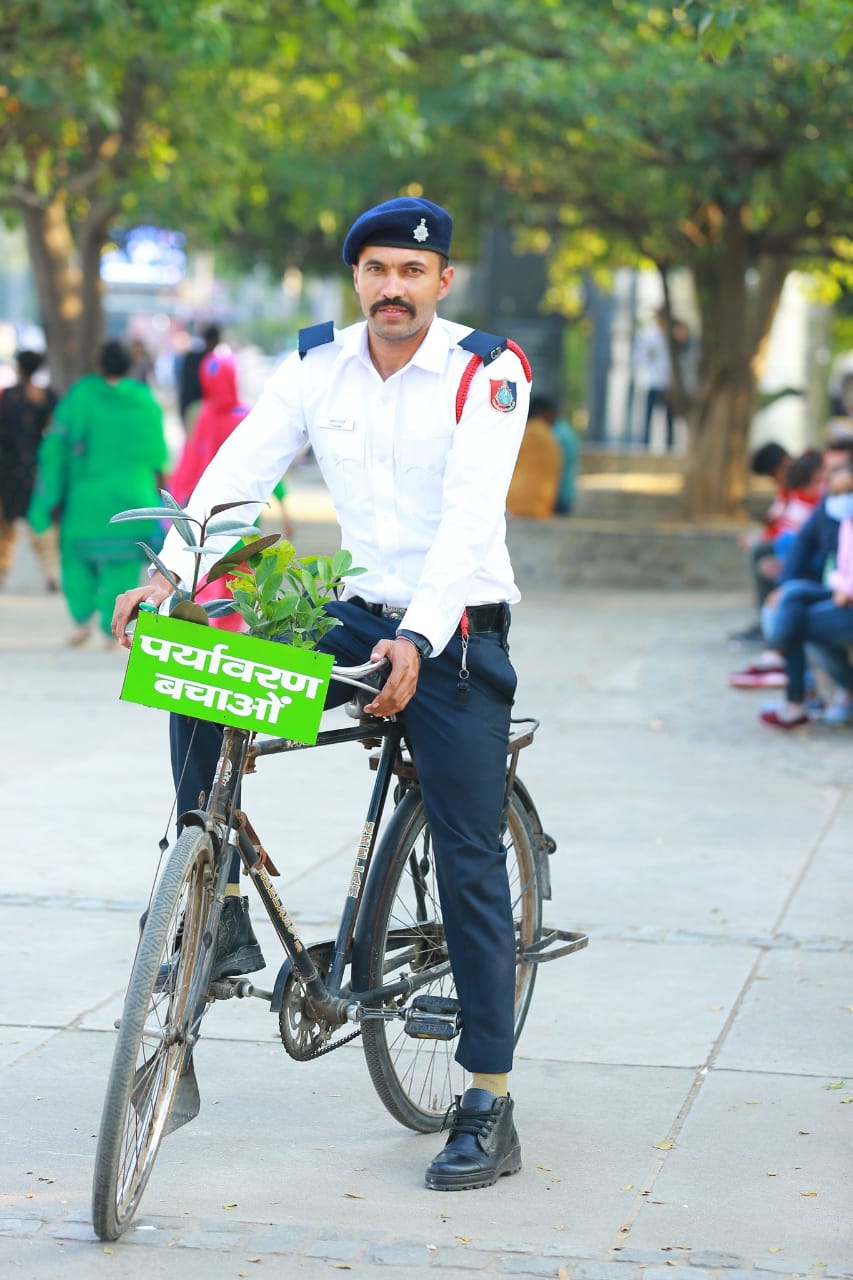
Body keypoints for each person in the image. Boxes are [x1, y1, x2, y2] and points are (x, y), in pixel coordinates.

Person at [112, 196, 533, 1192]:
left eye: (412, 272)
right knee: (200, 670)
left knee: (470, 853)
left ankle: (487, 1095)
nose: (393, 288)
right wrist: (170, 576)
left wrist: (418, 641)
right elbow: (236, 474)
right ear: (358, 277)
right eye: (377, 270)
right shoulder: (315, 364)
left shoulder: (487, 368)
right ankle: (213, 912)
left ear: (442, 281)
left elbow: (471, 520)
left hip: (457, 627)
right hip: (355, 610)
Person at [28, 339, 169, 645]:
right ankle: (112, 627)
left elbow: (55, 448)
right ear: (130, 366)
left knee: (77, 560)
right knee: (122, 564)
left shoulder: (81, 395)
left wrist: (47, 497)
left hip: (86, 502)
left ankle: (81, 619)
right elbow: (160, 457)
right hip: (135, 500)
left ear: (100, 364)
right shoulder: (144, 400)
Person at [759, 450, 853, 729]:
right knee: (790, 596)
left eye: (846, 491)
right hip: (837, 591)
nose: (839, 498)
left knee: (793, 622)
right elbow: (804, 545)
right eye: (834, 491)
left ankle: (796, 700)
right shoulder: (842, 518)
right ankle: (775, 658)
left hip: (845, 597)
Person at [728, 449, 824, 688]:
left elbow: (799, 532)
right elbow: (784, 523)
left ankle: (779, 658)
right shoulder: (794, 486)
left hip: (823, 575)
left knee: (787, 591)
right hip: (806, 559)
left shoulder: (811, 491)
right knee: (783, 590)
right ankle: (794, 696)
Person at [0, 350, 59, 591]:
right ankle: (50, 573)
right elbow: (57, 430)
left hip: (8, 468)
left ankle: (2, 570)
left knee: (6, 525)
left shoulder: (8, 397)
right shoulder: (46, 396)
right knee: (41, 523)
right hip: (36, 467)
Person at [506, 395, 563, 518]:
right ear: (543, 412)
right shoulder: (548, 434)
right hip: (542, 507)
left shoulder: (528, 432)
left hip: (514, 503)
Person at [632, 307, 674, 451]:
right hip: (653, 381)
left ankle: (669, 447)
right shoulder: (648, 336)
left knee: (669, 419)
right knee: (649, 417)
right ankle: (645, 446)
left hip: (668, 384)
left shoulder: (672, 336)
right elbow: (639, 358)